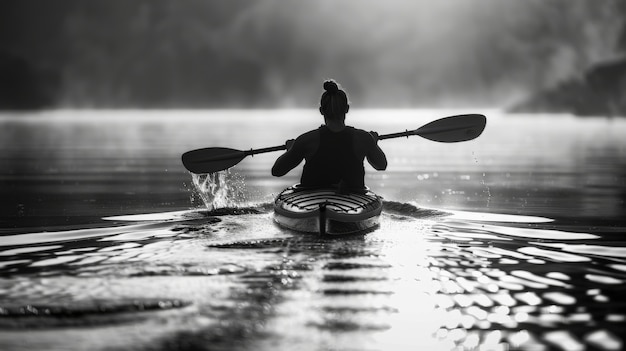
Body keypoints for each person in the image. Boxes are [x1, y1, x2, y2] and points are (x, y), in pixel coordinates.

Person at [271, 79, 387, 191]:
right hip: (352, 199)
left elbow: (277, 171)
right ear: (347, 109)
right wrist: (373, 143)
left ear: (321, 110)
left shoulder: (306, 140)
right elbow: (381, 165)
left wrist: (291, 150)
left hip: (311, 203)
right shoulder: (363, 138)